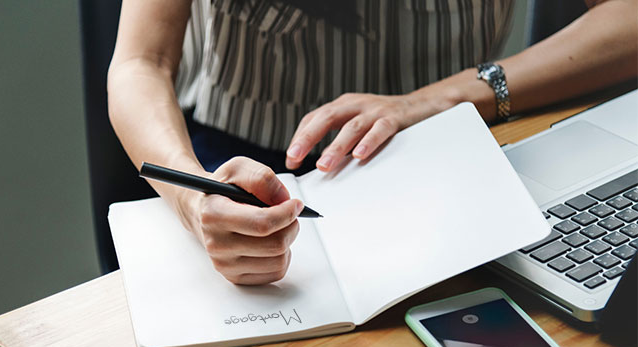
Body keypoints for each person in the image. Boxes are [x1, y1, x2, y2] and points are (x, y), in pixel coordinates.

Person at [108, 0, 637, 285]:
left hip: (458, 159)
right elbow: (140, 64)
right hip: (240, 171)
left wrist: (445, 98)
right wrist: (191, 196)